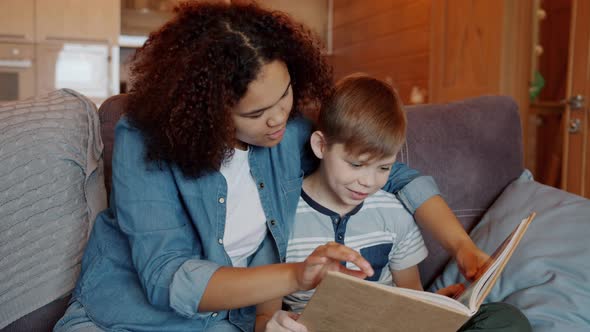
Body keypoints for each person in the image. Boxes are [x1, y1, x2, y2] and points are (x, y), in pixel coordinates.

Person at [55, 2, 488, 331]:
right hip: (123, 317)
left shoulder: (289, 137)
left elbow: (386, 172)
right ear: (206, 111)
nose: (279, 118)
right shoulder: (144, 139)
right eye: (256, 113)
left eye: (284, 95)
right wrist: (295, 276)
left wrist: (461, 249)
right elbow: (168, 277)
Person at [262, 75, 531, 332]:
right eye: (356, 164)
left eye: (384, 167)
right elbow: (265, 315)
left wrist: (437, 308)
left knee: (506, 319)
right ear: (321, 146)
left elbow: (410, 296)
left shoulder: (393, 213)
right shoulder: (282, 218)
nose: (368, 181)